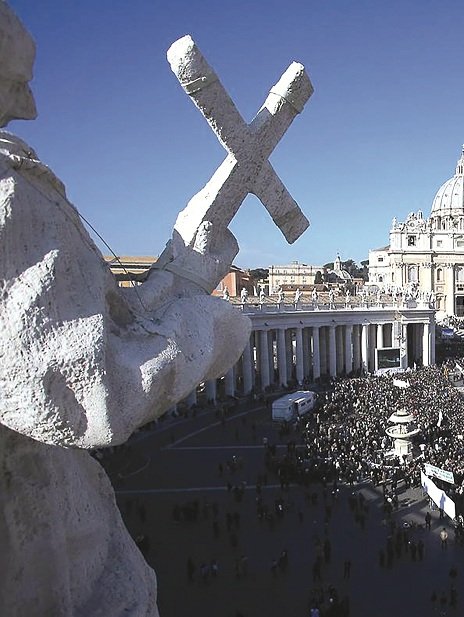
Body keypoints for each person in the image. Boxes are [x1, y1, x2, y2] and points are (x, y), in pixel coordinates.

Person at [0, 6, 249, 615]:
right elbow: (87, 386)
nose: (31, 109)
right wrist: (216, 328)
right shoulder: (6, 189)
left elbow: (94, 333)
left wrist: (180, 273)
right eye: (14, 84)